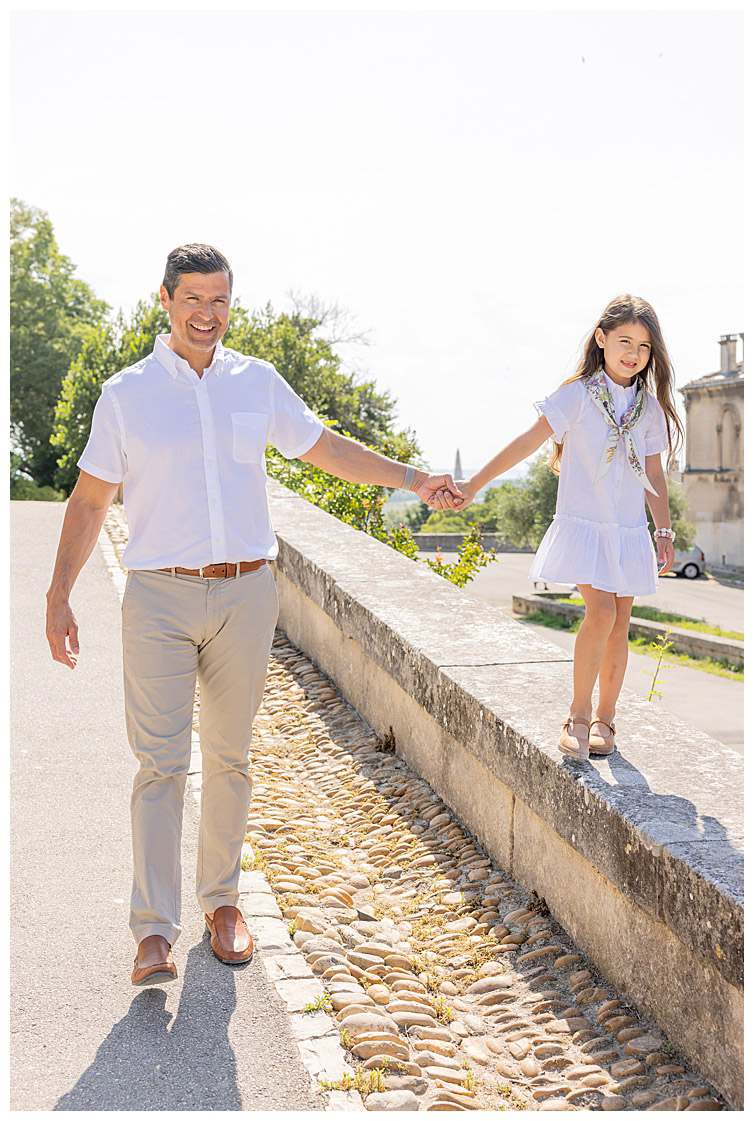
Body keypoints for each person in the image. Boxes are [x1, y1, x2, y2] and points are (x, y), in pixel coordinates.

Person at [45, 243, 463, 986]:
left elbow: (324, 447)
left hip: (246, 591)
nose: (208, 314)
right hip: (159, 596)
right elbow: (89, 498)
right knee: (160, 765)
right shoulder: (127, 393)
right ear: (166, 300)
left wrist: (411, 477)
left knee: (231, 759)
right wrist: (58, 594)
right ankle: (152, 931)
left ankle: (223, 904)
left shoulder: (255, 382)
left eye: (220, 301)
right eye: (194, 299)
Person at [430, 294, 682, 761]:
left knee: (621, 622)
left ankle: (607, 720)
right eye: (624, 340)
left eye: (644, 346)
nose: (634, 353)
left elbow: (655, 474)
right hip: (584, 526)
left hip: (626, 531)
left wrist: (663, 532)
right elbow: (528, 441)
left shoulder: (647, 407)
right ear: (601, 339)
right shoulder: (577, 394)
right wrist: (476, 483)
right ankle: (578, 715)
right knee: (601, 613)